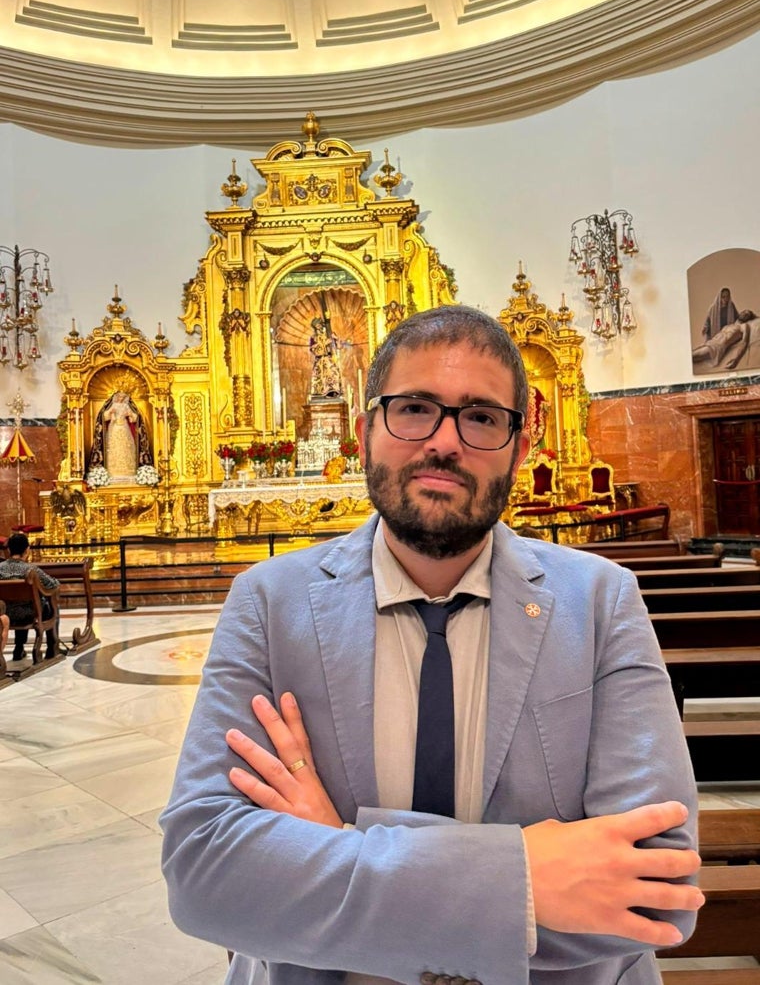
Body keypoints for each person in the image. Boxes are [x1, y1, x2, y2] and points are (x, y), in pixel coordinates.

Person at [161, 306, 702, 985]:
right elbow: (205, 872)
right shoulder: (270, 602)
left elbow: (659, 891)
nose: (444, 442)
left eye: (480, 416)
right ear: (364, 433)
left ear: (521, 444)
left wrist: (338, 848)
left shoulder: (600, 601)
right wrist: (525, 881)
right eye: (413, 408)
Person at [0, 532, 61, 660]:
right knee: (52, 605)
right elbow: (53, 585)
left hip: (6, 614)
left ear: (9, 549)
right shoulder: (31, 570)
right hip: (30, 613)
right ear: (27, 550)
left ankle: (19, 648)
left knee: (17, 603)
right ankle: (52, 647)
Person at [88, 389, 153, 481]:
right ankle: (112, 471)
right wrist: (110, 413)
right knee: (114, 447)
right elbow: (104, 417)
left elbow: (134, 418)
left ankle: (128, 471)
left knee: (126, 447)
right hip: (114, 428)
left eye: (123, 397)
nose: (121, 399)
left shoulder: (126, 406)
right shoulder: (113, 405)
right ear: (116, 397)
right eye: (119, 397)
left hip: (124, 428)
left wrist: (130, 414)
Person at [692, 309, 757, 369]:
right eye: (744, 312)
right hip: (709, 343)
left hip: (716, 347)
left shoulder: (744, 326)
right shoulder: (728, 326)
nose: (744, 314)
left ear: (749, 318)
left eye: (747, 314)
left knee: (690, 357)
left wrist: (736, 360)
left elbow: (744, 343)